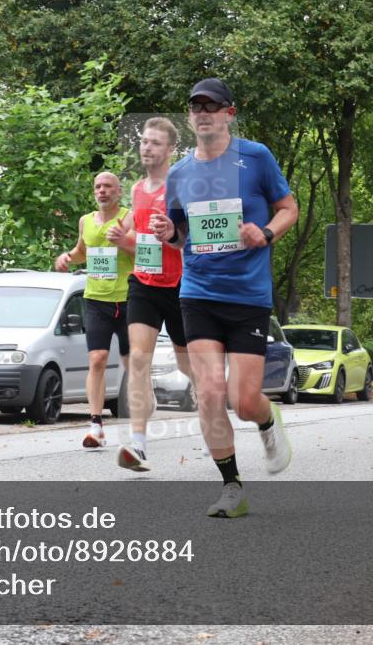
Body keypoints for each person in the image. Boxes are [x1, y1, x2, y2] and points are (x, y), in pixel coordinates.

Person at [150, 78, 298, 517]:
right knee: (210, 393)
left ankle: (268, 420)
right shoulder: (179, 174)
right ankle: (232, 486)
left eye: (211, 105)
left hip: (248, 296)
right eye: (195, 106)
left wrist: (266, 233)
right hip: (198, 291)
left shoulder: (256, 158)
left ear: (229, 113)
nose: (202, 113)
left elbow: (289, 207)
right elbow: (180, 235)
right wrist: (168, 233)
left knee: (244, 400)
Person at [105, 117, 194, 472]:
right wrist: (120, 235)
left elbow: (192, 237)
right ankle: (138, 445)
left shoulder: (181, 186)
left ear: (170, 149)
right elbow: (138, 239)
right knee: (138, 359)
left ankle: (212, 423)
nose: (146, 147)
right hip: (144, 283)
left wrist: (173, 233)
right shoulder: (138, 190)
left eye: (155, 143)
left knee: (190, 366)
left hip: (181, 285)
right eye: (144, 141)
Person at [54, 172, 133, 447]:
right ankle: (96, 425)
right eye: (97, 186)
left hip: (128, 297)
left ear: (118, 191)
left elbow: (143, 250)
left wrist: (125, 240)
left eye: (107, 186)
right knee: (97, 358)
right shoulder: (85, 221)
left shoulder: (129, 216)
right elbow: (82, 251)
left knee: (132, 363)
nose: (102, 191)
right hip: (96, 298)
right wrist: (67, 258)